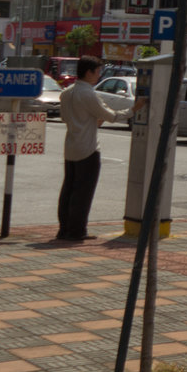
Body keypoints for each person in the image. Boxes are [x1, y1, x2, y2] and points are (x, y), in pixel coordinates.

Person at [56, 55, 123, 241]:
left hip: (70, 147)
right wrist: (134, 110)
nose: (99, 75)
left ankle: (65, 229)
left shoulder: (67, 92)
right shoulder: (88, 93)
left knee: (68, 190)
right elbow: (111, 116)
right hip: (88, 149)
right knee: (83, 193)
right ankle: (77, 230)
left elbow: (65, 118)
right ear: (89, 72)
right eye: (98, 71)